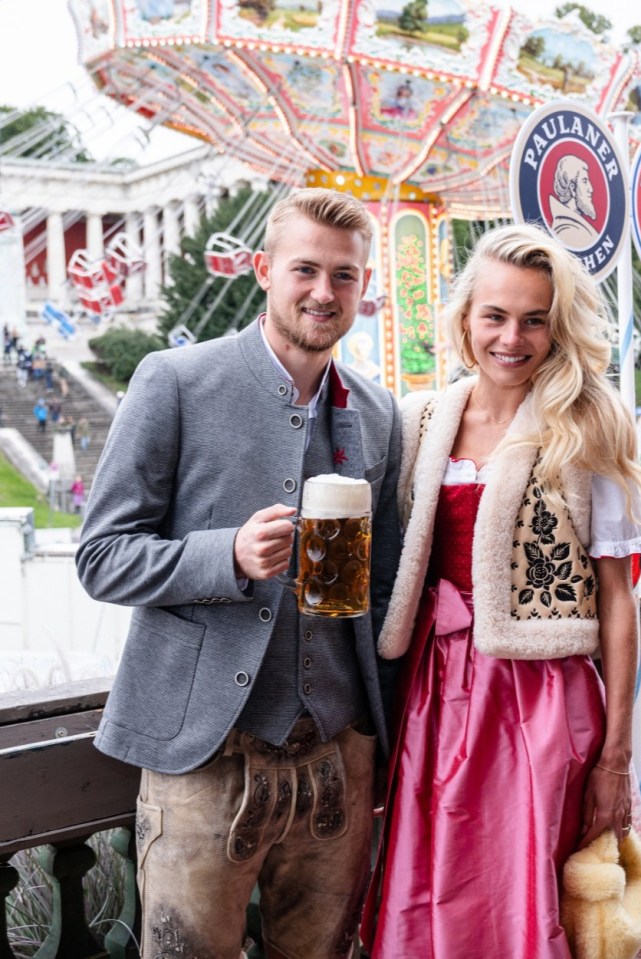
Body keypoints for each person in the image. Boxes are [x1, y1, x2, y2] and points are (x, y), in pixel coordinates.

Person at [76, 188, 402, 959]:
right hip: (202, 757)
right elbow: (100, 555)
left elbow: (383, 586)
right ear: (262, 269)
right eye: (305, 269)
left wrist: (380, 740)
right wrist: (224, 555)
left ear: (363, 286)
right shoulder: (175, 381)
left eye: (345, 276)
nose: (324, 292)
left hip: (336, 760)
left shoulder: (381, 413)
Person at [362, 224, 641, 958]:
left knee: (532, 891)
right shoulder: (419, 420)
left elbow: (618, 599)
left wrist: (616, 761)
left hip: (541, 704)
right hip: (433, 700)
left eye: (535, 318)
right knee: (441, 885)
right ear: (465, 317)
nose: (512, 337)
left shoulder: (590, 423)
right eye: (495, 315)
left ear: (558, 326)